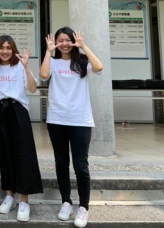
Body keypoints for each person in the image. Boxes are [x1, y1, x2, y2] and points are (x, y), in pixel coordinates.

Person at [39, 28, 103, 228]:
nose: (64, 44)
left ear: (74, 41)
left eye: (68, 40)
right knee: (61, 163)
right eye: (60, 40)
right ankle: (66, 202)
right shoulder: (53, 61)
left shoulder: (82, 61)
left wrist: (83, 46)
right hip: (57, 119)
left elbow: (99, 67)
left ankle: (84, 207)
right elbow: (43, 75)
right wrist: (48, 51)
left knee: (81, 166)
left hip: (80, 120)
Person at [0, 35, 43, 222]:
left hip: (18, 110)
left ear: (13, 49)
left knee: (24, 154)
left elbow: (33, 88)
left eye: (8, 48)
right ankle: (9, 195)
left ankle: (24, 200)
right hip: (1, 111)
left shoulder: (19, 66)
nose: (5, 51)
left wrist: (26, 66)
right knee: (5, 153)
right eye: (1, 48)